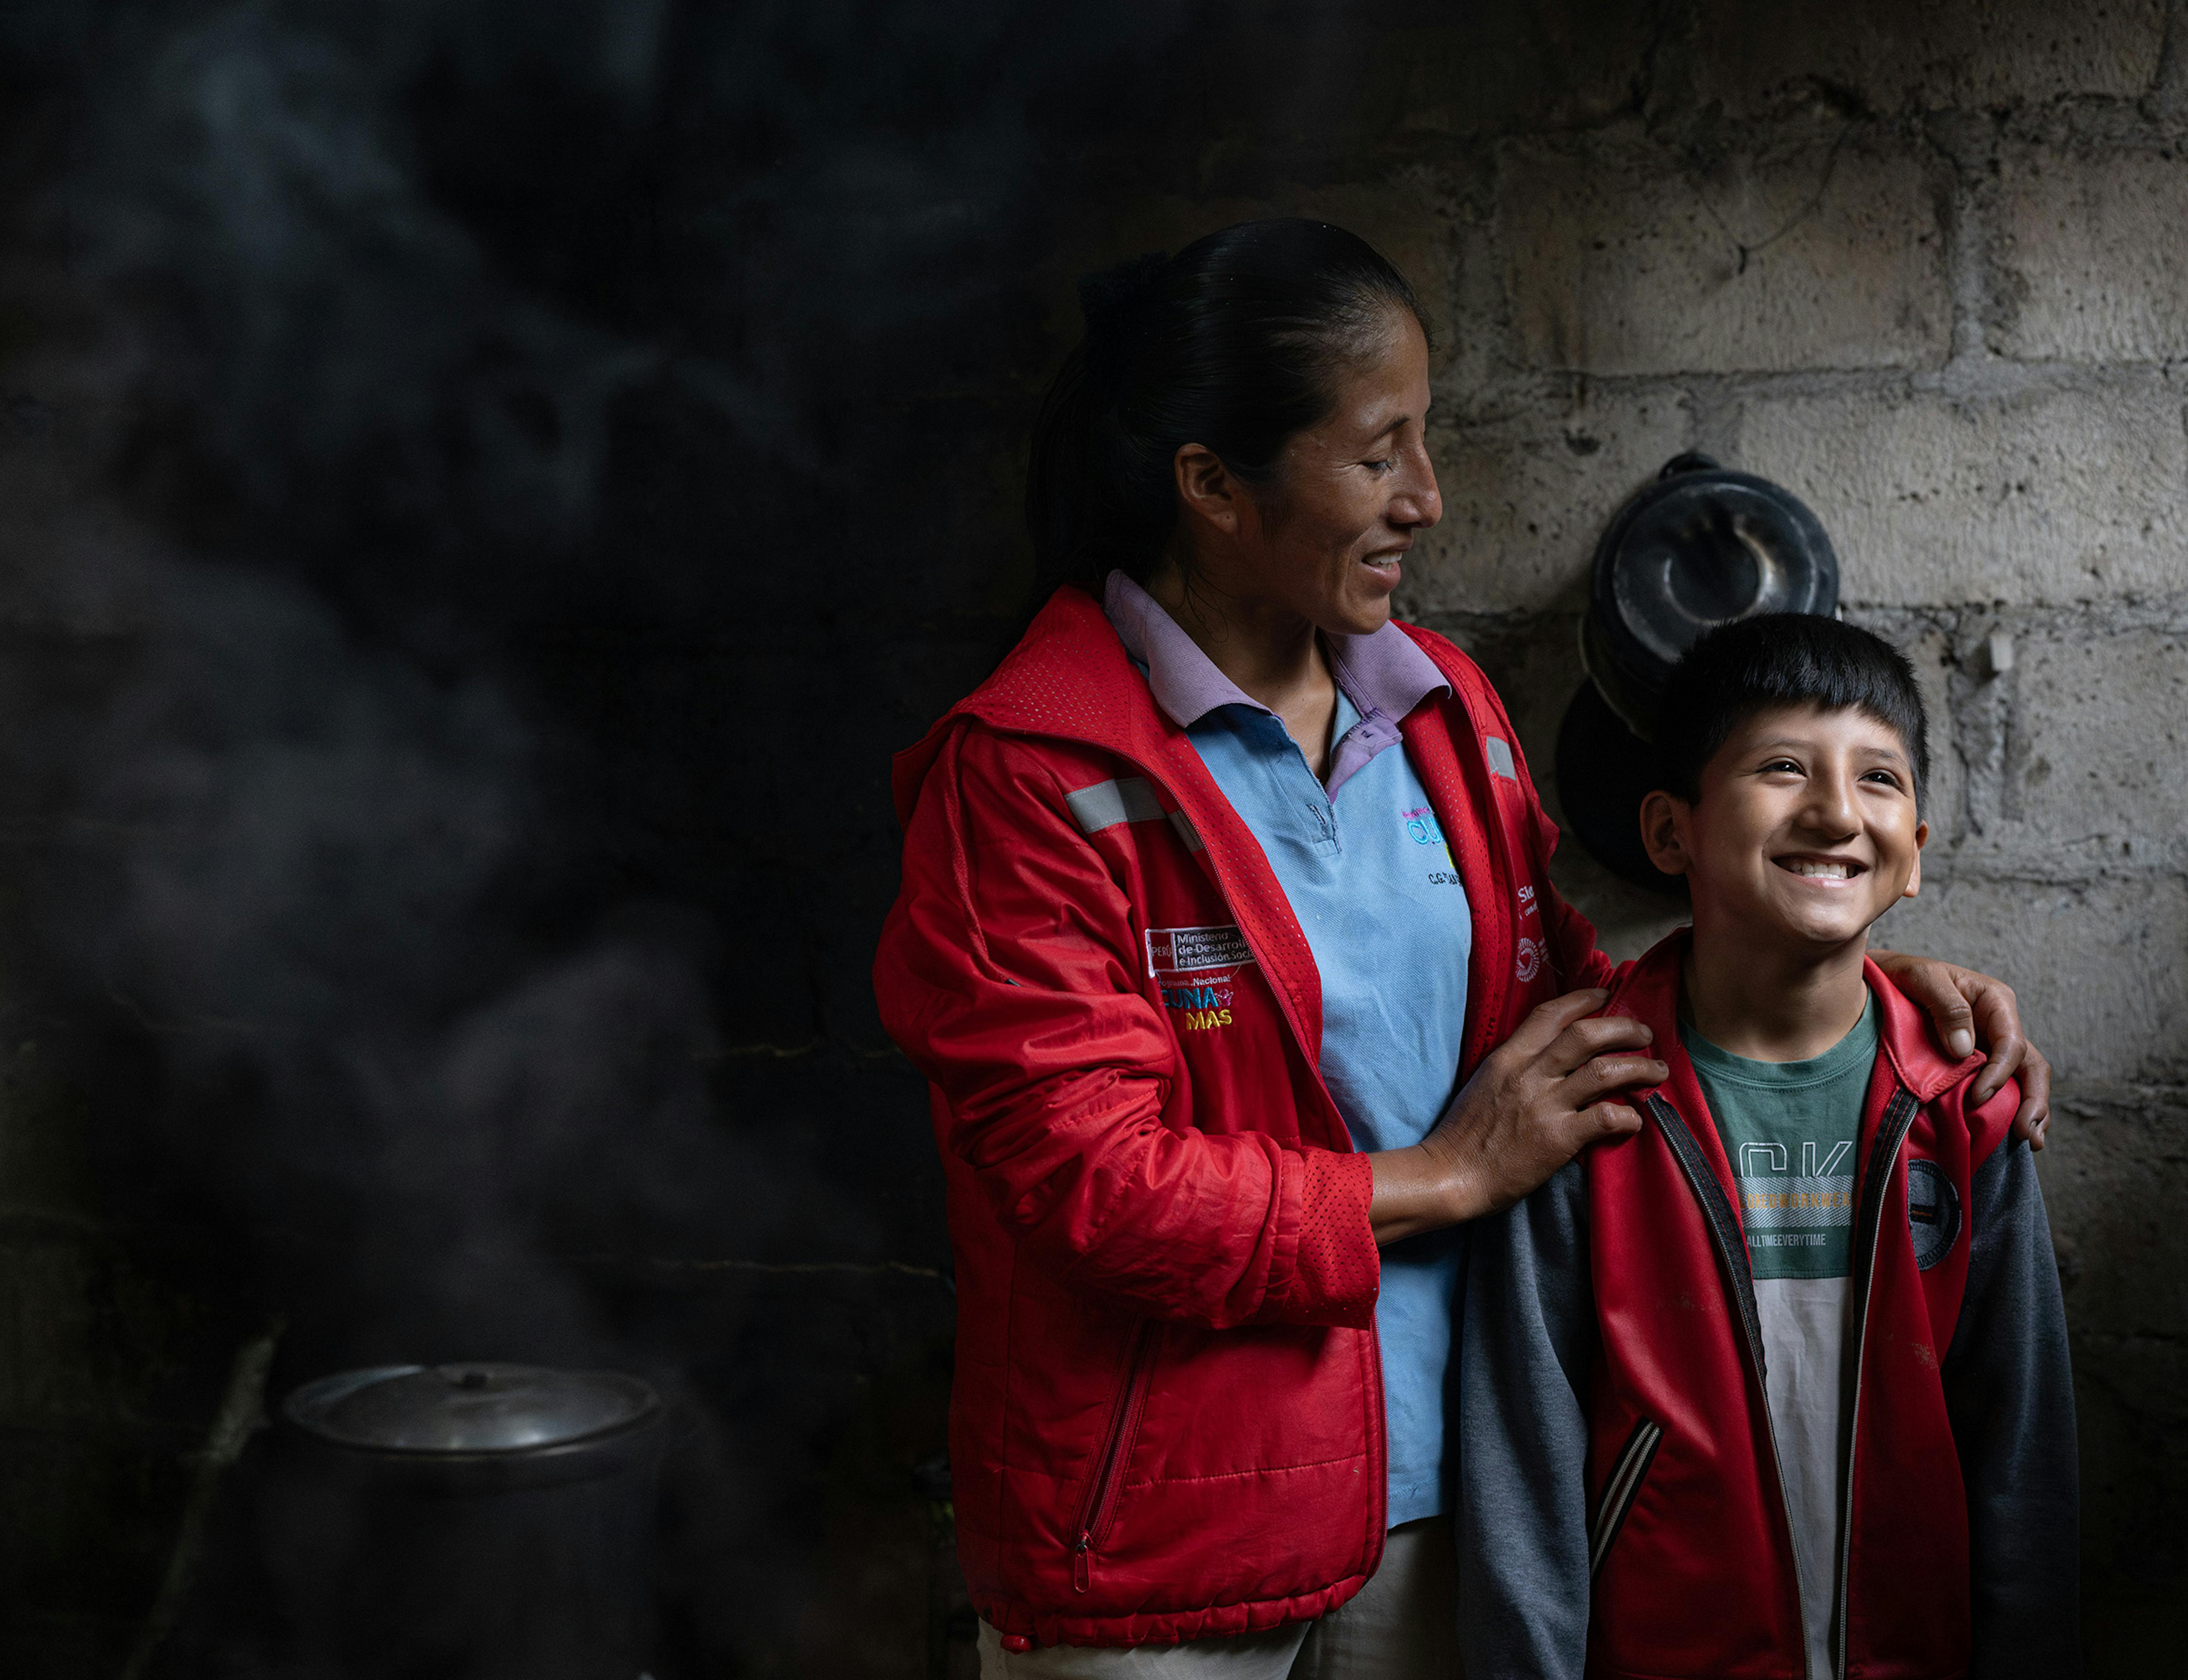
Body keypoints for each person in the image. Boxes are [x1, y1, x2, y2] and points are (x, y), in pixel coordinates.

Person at [873, 219, 2051, 1675]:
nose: (1425, 499)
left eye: (1421, 445)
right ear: (1211, 488)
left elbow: (1565, 1005)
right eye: (1378, 454)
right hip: (1164, 1544)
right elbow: (1094, 1189)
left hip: (1437, 1498)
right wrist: (1446, 1175)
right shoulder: (1031, 772)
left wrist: (1854, 994)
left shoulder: (1440, 708)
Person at [1458, 614, 2078, 1680]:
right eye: (1783, 767)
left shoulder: (1964, 1109)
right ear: (1670, 833)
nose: (1837, 810)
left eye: (1880, 779)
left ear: (1915, 856)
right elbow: (1523, 1457)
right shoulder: (1581, 1103)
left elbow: (2023, 1448)